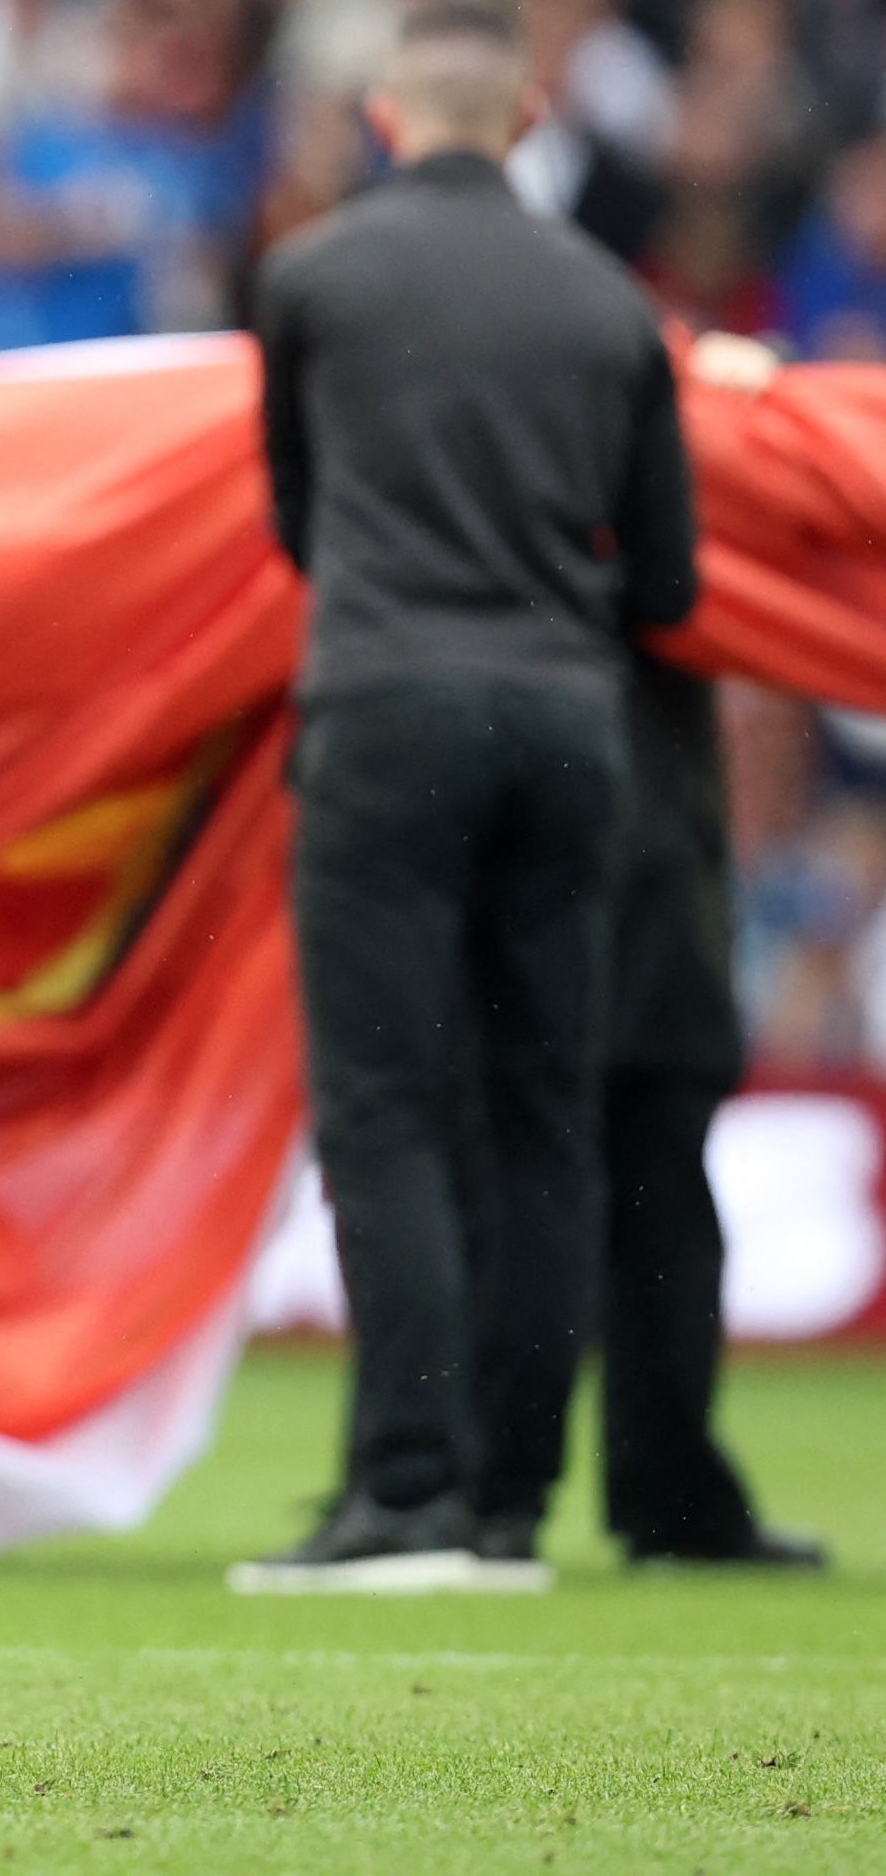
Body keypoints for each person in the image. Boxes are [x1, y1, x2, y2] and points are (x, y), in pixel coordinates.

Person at [237, 0, 700, 1593]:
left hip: (381, 706)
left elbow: (294, 515)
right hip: (568, 724)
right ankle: (509, 1499)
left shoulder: (312, 278)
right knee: (539, 1118)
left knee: (385, 1107)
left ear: (385, 117)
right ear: (522, 123)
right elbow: (669, 574)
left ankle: (407, 1491)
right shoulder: (613, 307)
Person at [472, 333, 826, 1570]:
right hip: (642, 874)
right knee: (646, 1200)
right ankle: (656, 1493)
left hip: (566, 884)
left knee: (562, 1192)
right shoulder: (657, 487)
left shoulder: (486, 494)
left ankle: (496, 1494)